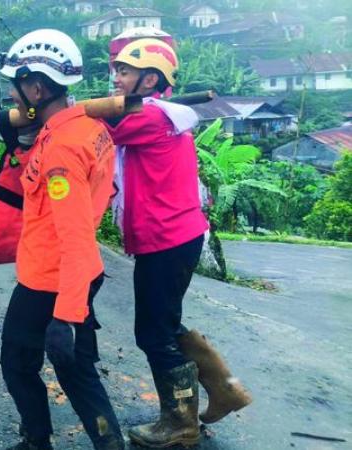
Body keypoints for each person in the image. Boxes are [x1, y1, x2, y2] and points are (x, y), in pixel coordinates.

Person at [106, 38, 252, 448]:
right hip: (175, 236)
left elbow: (96, 129)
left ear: (150, 79)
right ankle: (225, 389)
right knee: (165, 324)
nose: (116, 79)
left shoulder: (150, 118)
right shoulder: (164, 114)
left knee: (153, 333)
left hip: (166, 239)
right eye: (116, 71)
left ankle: (180, 422)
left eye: (125, 72)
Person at [0, 29, 124, 450]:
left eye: (16, 88)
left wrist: (66, 315)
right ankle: (109, 444)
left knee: (19, 363)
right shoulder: (86, 124)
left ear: (36, 87)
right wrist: (20, 148)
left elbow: (74, 236)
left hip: (51, 280)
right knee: (77, 370)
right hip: (77, 274)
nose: (13, 97)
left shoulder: (63, 152)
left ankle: (38, 440)